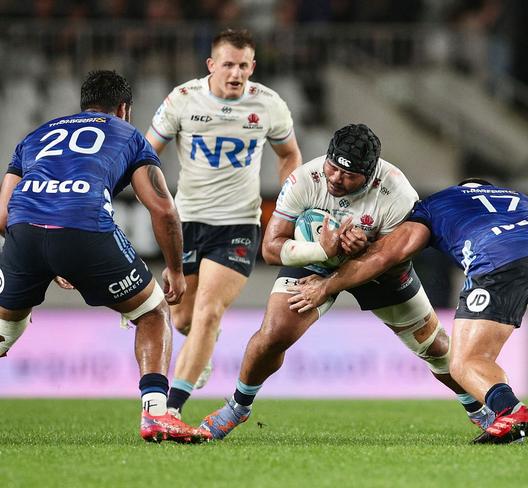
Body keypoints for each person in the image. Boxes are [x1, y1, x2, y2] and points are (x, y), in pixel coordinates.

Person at [288, 178, 528, 444]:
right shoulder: (524, 200)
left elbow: (387, 256)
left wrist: (327, 284)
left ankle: (509, 413)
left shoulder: (434, 205)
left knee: (463, 362)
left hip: (498, 259)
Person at [199, 124, 494, 440]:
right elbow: (271, 249)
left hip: (377, 270)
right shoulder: (305, 180)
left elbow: (392, 263)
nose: (336, 178)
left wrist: (364, 249)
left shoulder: (397, 194)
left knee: (434, 346)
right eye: (333, 166)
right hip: (316, 262)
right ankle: (237, 407)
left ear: (370, 175)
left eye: (349, 174)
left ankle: (481, 411)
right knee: (273, 334)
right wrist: (321, 250)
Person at [0, 70, 211, 444]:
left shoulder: (35, 135)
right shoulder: (127, 135)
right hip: (84, 224)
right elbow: (163, 210)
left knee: (6, 328)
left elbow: (3, 214)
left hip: (23, 233)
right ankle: (157, 416)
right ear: (125, 108)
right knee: (151, 312)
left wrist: (50, 258)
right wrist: (176, 271)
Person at [145, 28, 302, 418]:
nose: (236, 73)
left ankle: (172, 410)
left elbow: (289, 155)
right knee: (182, 316)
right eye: (228, 64)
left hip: (238, 224)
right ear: (211, 65)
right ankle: (204, 348)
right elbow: (146, 153)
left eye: (243, 65)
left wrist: (288, 205)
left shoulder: (268, 104)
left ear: (253, 66)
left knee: (208, 310)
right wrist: (158, 201)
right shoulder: (183, 100)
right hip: (188, 222)